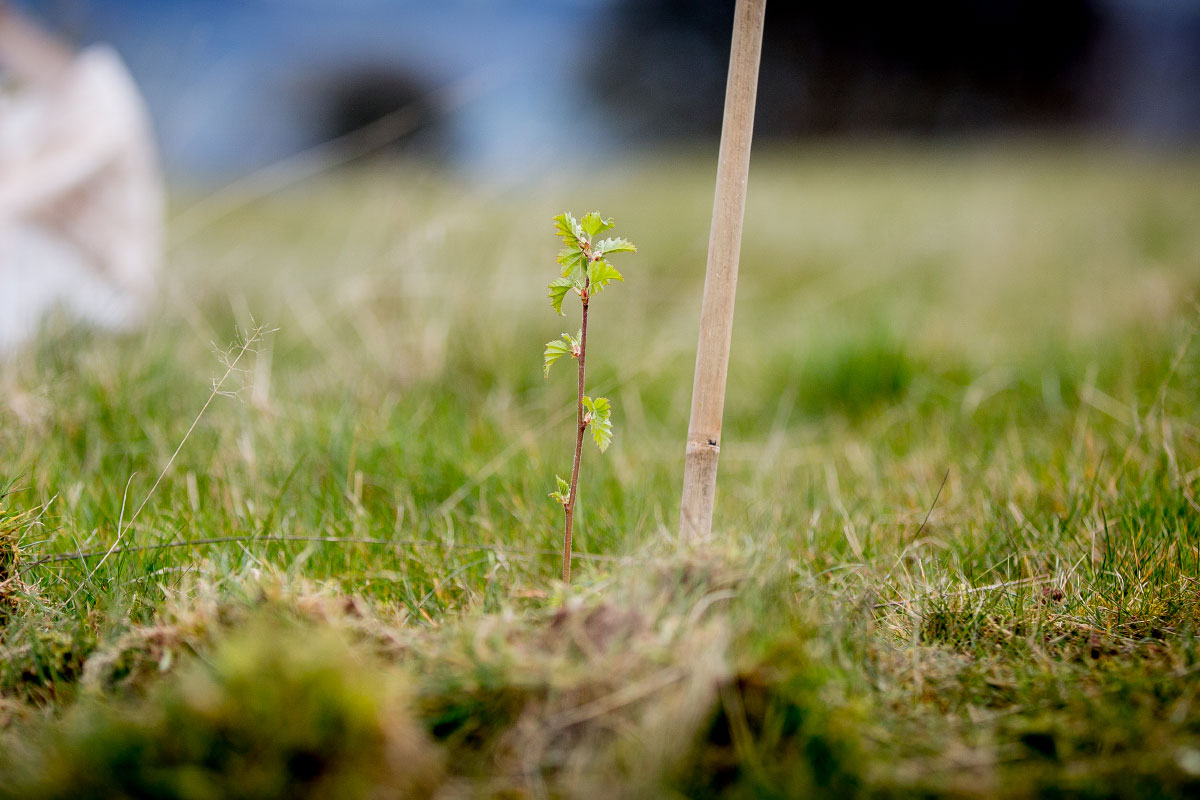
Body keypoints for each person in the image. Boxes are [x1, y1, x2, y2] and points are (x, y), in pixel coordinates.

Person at [0, 3, 163, 356]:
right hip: (45, 275)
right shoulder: (26, 109)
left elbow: (11, 200)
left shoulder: (103, 95)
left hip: (104, 295)